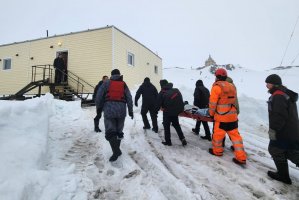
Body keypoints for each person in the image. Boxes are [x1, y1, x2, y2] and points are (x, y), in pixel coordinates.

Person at [265, 74, 299, 185]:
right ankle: (283, 175)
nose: (266, 85)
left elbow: (279, 116)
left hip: (284, 131)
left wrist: (273, 131)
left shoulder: (278, 96)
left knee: (275, 149)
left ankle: (283, 176)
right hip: (291, 131)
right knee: (292, 152)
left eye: (268, 83)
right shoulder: (284, 93)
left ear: (274, 84)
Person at [208, 68, 247, 165]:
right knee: (236, 137)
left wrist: (211, 114)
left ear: (217, 77)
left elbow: (213, 103)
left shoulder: (216, 87)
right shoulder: (232, 86)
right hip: (232, 117)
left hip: (221, 117)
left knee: (218, 136)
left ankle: (217, 151)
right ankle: (241, 157)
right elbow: (234, 101)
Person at [95, 69, 133, 162]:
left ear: (111, 75)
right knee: (119, 132)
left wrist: (99, 108)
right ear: (119, 75)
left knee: (110, 132)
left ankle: (115, 151)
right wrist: (131, 111)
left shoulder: (106, 83)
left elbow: (99, 96)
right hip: (121, 111)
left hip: (109, 110)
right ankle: (117, 150)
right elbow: (129, 97)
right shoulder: (123, 84)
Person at [157, 82, 187, 146]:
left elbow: (158, 103)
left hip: (167, 112)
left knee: (166, 127)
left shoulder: (162, 92)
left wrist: (156, 110)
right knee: (176, 125)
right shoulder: (175, 90)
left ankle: (168, 142)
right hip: (175, 112)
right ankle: (182, 138)